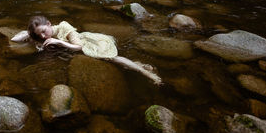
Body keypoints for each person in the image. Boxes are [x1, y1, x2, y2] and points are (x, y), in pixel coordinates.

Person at [11, 16, 162, 85]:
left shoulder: (64, 27)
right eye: (40, 35)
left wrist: (59, 42)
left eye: (44, 31)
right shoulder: (41, 37)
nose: (43, 36)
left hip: (88, 44)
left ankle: (146, 73)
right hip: (71, 51)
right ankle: (138, 64)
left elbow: (79, 47)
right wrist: (28, 34)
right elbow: (14, 40)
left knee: (112, 58)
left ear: (49, 24)